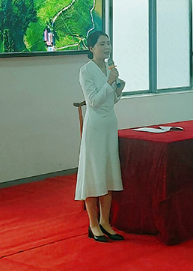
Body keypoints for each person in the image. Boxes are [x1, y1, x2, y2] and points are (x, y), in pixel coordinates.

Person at [75, 31, 126, 242]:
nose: (107, 47)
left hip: (109, 124)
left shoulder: (109, 68)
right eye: (102, 44)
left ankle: (105, 221)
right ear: (91, 48)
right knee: (94, 172)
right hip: (95, 127)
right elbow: (94, 101)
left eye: (108, 43)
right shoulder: (86, 71)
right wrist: (110, 82)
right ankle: (93, 224)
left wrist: (119, 89)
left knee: (108, 171)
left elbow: (110, 100)